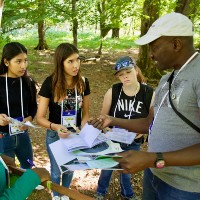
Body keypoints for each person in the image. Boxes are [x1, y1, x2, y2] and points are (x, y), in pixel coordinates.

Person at [89, 12, 200, 200]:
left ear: (176, 44)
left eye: (155, 47)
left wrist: (152, 158)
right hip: (155, 174)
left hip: (184, 188)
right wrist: (112, 119)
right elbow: (150, 122)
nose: (150, 54)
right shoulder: (167, 78)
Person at [36, 43, 90, 200]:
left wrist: (84, 130)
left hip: (75, 134)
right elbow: (40, 118)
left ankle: (64, 193)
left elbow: (86, 113)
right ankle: (56, 194)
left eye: (78, 60)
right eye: (70, 61)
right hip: (55, 134)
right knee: (56, 170)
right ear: (61, 63)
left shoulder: (83, 82)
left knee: (70, 168)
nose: (76, 65)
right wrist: (55, 126)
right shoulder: (50, 83)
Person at [95, 56, 154, 200]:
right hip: (113, 139)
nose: (124, 77)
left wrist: (140, 133)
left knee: (127, 170)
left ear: (135, 69)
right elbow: (103, 116)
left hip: (134, 141)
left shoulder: (148, 93)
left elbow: (152, 121)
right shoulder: (114, 91)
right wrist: (107, 129)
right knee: (107, 168)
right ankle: (100, 193)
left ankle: (127, 194)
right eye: (120, 75)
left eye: (127, 72)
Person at [0, 42, 37, 169]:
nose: (23, 66)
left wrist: (30, 118)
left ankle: (29, 185)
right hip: (3, 137)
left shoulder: (28, 82)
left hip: (23, 135)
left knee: (29, 163)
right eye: (18, 61)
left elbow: (33, 106)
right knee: (7, 171)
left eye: (25, 61)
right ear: (6, 62)